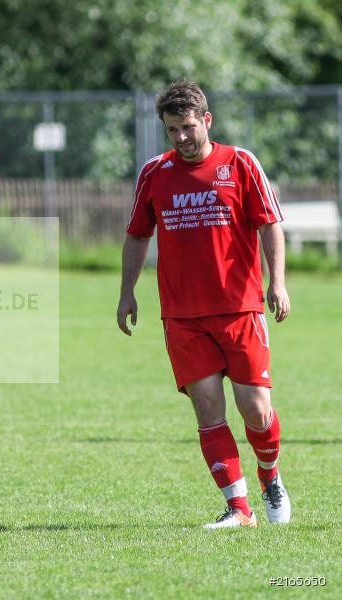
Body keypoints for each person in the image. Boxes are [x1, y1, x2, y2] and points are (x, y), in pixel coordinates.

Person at [117, 80, 291, 529]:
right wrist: (127, 291)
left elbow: (270, 224)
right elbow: (137, 234)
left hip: (240, 308)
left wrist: (277, 282)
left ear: (206, 120)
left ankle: (270, 477)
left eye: (188, 127)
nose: (181, 137)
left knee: (256, 410)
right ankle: (239, 508)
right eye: (172, 129)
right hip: (182, 315)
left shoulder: (240, 163)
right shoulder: (155, 172)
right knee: (208, 409)